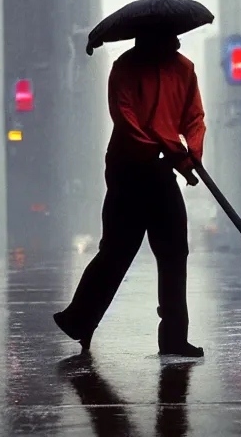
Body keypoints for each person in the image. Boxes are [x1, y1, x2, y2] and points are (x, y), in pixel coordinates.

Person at [53, 30, 206, 357]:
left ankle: (175, 337)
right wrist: (175, 155)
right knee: (117, 251)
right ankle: (79, 320)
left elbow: (194, 118)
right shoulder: (125, 67)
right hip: (128, 169)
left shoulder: (184, 70)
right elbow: (126, 117)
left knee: (174, 252)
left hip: (161, 168)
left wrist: (192, 153)